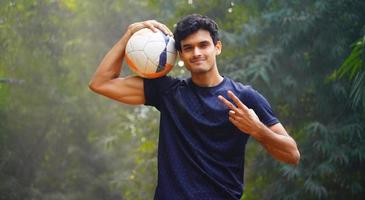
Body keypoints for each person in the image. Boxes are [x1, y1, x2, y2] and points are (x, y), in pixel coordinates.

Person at [89, 14, 300, 200]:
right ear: (180, 56)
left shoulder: (244, 96)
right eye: (188, 48)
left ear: (217, 47)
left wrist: (258, 130)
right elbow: (101, 83)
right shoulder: (168, 92)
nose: (196, 53)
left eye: (203, 45)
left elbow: (292, 154)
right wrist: (128, 35)